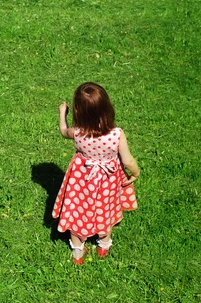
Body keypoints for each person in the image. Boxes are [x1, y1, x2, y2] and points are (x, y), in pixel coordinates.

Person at [52, 82, 140, 264]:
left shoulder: (77, 132)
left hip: (81, 178)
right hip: (107, 181)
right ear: (107, 108)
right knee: (104, 211)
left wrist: (62, 113)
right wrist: (135, 173)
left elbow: (62, 131)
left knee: (77, 212)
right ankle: (103, 246)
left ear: (78, 111)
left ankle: (77, 253)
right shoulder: (116, 134)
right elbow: (127, 161)